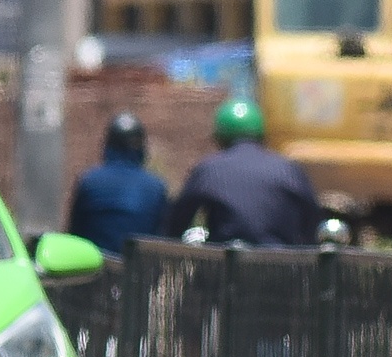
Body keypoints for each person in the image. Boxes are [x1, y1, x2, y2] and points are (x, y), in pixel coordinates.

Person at [164, 100, 319, 246]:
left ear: (220, 136)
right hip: (280, 264)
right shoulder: (288, 168)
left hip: (227, 266)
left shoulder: (209, 169)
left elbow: (179, 218)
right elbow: (311, 216)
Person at [68, 112, 167, 254]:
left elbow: (75, 234)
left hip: (97, 268)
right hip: (140, 270)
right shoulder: (156, 186)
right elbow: (163, 235)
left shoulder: (89, 181)